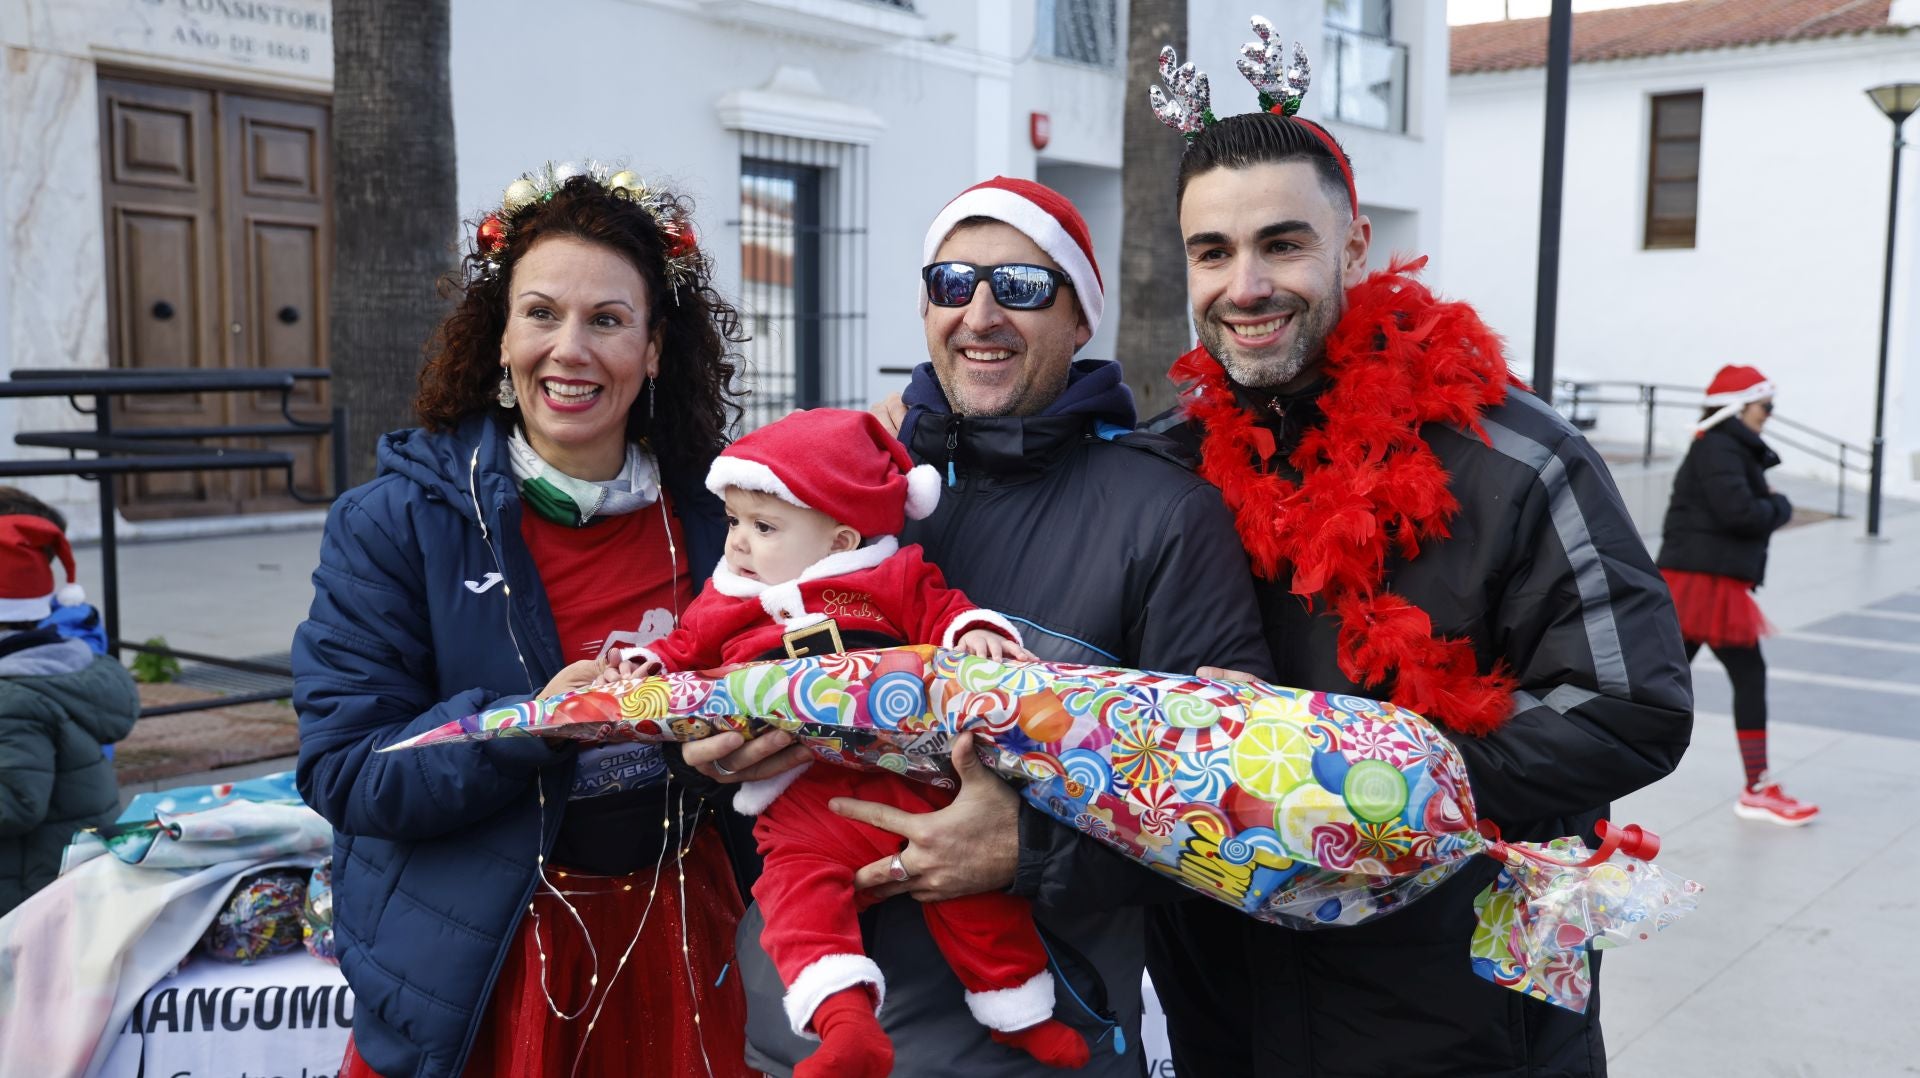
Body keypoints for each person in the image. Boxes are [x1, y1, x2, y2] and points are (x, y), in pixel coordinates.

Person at [1139, 25, 1695, 1077]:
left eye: (1283, 243)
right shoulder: (1164, 468)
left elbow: (1634, 706)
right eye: (1213, 252)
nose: (1246, 284)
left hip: (1464, 1030)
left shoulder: (1518, 458)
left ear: (1353, 246)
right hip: (1226, 1020)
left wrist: (1358, 788)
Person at [705, 176, 1273, 1076]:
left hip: (1031, 1047)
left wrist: (1029, 851)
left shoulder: (1164, 516)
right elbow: (721, 640)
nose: (979, 313)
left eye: (1019, 287)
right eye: (951, 283)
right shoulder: (839, 481)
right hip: (798, 1036)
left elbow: (1236, 799)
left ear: (1081, 319)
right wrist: (706, 741)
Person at [291, 164, 763, 1078]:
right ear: (500, 337)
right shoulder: (395, 523)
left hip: (681, 940)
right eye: (541, 313)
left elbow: (783, 697)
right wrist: (534, 724)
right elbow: (346, 769)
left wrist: (746, 738)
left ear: (656, 350)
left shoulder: (726, 519)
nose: (570, 349)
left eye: (609, 320)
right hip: (483, 963)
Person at [606, 406, 1089, 1077]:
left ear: (839, 540)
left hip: (908, 781)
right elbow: (681, 650)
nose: (739, 542)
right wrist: (646, 666)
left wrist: (973, 633)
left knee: (972, 897)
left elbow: (943, 608)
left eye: (764, 526)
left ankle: (1020, 1010)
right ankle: (846, 1026)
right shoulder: (727, 599)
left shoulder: (884, 579)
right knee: (795, 900)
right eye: (736, 521)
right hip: (801, 797)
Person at [1657, 365, 1815, 825]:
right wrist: (1781, 506)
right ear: (1739, 406)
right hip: (1703, 583)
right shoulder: (1720, 449)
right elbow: (1739, 513)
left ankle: (1758, 786)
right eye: (1765, 407)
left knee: (1660, 677)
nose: (1769, 415)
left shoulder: (1724, 447)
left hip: (1706, 578)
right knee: (1728, 676)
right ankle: (1757, 788)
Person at [0, 499, 138, 916]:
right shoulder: (61, 664)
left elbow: (17, 802)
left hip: (28, 890)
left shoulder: (15, 699)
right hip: (65, 878)